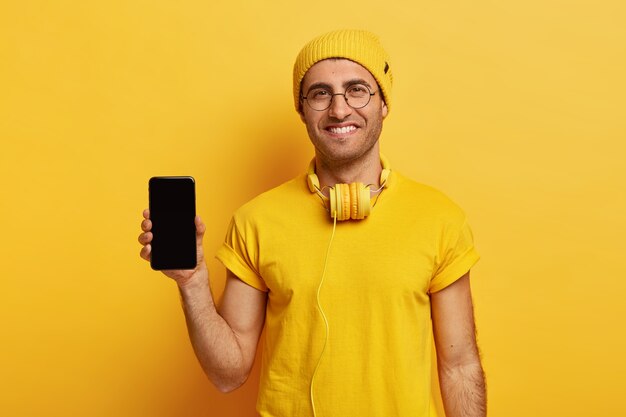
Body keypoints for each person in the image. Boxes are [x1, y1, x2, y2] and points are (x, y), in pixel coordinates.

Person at [138, 29, 486, 417]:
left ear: (383, 103)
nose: (339, 110)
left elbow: (460, 367)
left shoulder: (439, 218)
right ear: (302, 110)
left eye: (357, 90)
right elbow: (227, 374)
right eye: (321, 94)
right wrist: (193, 284)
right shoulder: (256, 221)